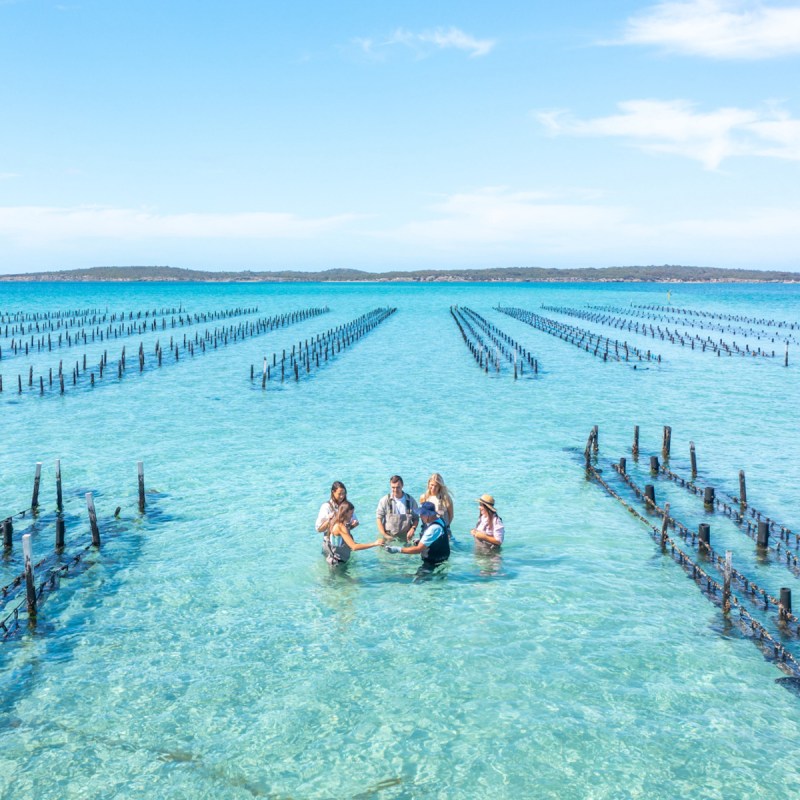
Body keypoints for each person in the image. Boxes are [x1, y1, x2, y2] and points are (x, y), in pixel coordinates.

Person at [384, 501, 450, 567]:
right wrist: (420, 540)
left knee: (417, 577)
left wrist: (397, 549)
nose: (420, 516)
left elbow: (418, 549)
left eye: (422, 514)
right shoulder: (440, 520)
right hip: (442, 557)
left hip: (433, 561)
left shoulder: (433, 528)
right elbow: (438, 537)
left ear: (428, 515)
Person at [323, 501, 383, 566]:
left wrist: (351, 526)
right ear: (345, 513)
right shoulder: (340, 526)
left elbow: (348, 543)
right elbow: (354, 547)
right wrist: (374, 544)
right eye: (351, 514)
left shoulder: (338, 524)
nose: (352, 516)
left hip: (338, 561)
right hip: (337, 564)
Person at [376, 475, 420, 542]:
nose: (395, 490)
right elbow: (379, 519)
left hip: (406, 536)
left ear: (402, 485)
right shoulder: (384, 500)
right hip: (388, 536)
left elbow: (416, 518)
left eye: (398, 487)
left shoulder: (411, 501)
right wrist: (384, 535)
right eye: (393, 487)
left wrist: (413, 529)